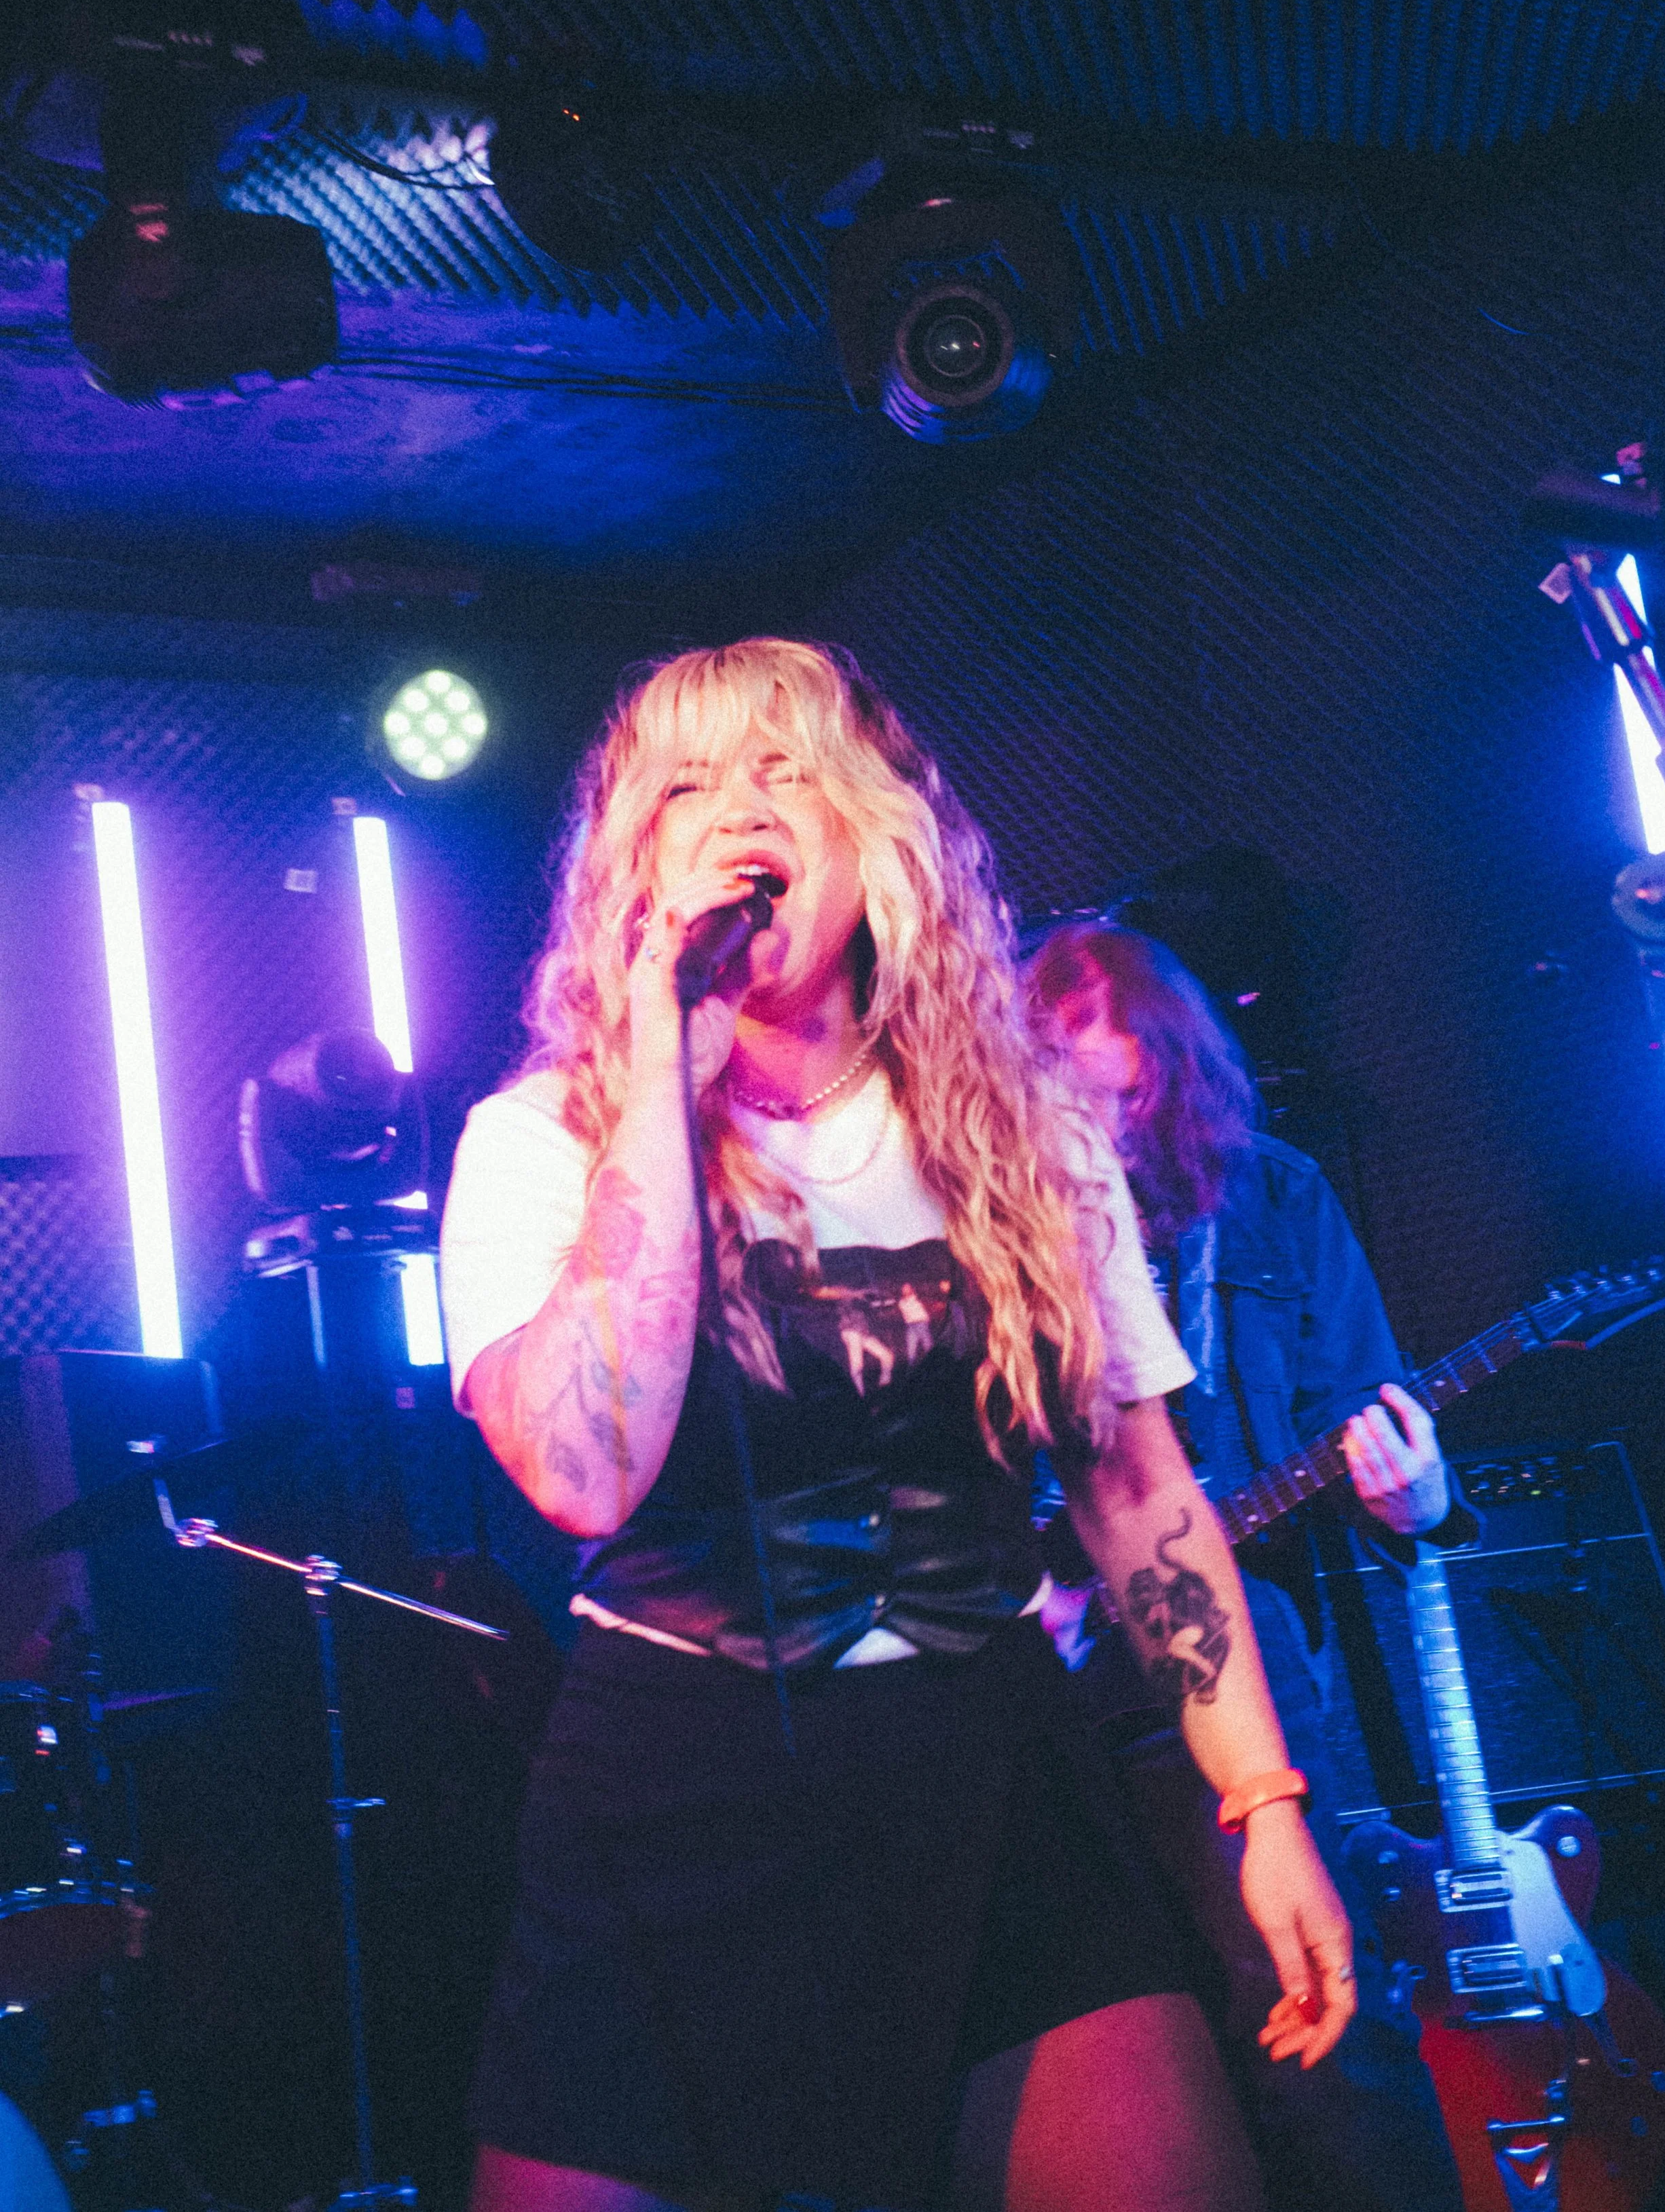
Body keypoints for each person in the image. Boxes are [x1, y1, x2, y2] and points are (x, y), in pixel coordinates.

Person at [439, 639, 1357, 2212]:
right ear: (633, 870)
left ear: (878, 837)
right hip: (679, 1798)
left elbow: (1140, 1496)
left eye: (784, 768)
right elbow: (581, 1475)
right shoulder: (537, 1142)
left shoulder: (1026, 1130)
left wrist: (1260, 1808)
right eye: (686, 786)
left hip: (987, 1759)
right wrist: (664, 1068)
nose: (739, 811)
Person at [1026, 925, 1476, 2212]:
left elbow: (1368, 1410)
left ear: (1170, 1080)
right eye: (1069, 1102)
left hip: (1241, 1666)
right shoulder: (1004, 1225)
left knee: (1319, 2039)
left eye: (1122, 1100)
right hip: (1048, 1688)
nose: (1102, 1136)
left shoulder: (1275, 1200)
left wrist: (1421, 1496)